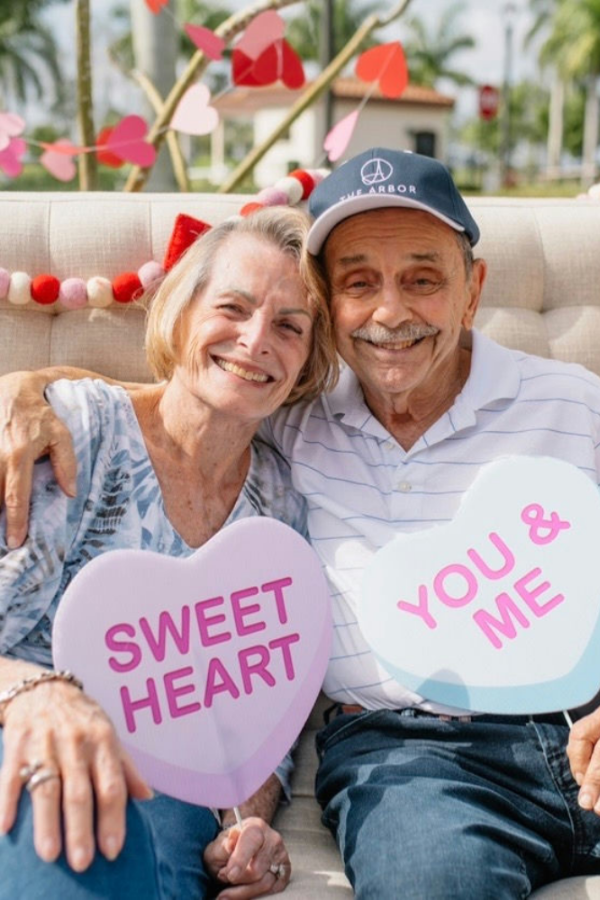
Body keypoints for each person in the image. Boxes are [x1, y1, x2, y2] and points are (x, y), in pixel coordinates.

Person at [3, 147, 600, 898]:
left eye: (423, 280)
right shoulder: (248, 426)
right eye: (359, 283)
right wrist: (26, 387)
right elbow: (174, 395)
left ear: (472, 290)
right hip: (417, 762)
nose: (390, 313)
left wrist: (244, 817)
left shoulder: (572, 403)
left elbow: (255, 709)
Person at [0, 206, 337, 900]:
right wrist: (36, 694)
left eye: (289, 327)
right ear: (181, 316)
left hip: (170, 805)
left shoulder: (283, 508)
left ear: (306, 362)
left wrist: (247, 825)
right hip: (28, 746)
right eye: (232, 309)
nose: (255, 341)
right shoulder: (74, 432)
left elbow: (257, 723)